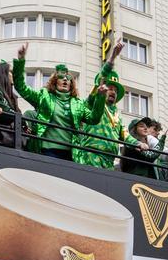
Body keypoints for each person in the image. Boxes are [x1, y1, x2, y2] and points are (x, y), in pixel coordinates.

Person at [13, 43, 94, 161]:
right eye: (61, 77)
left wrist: (101, 97)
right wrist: (21, 61)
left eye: (68, 78)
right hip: (48, 151)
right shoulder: (44, 97)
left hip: (72, 154)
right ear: (55, 81)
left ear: (71, 83)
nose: (65, 79)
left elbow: (94, 118)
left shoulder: (78, 104)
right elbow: (21, 87)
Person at [75, 40, 128, 169]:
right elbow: (100, 78)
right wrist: (112, 57)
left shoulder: (117, 115)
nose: (113, 92)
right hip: (92, 155)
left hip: (110, 160)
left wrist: (138, 144)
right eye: (110, 88)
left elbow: (125, 135)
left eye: (116, 91)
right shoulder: (93, 102)